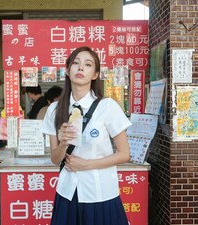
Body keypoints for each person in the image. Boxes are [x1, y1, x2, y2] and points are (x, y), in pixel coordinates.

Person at [41, 46, 131, 225]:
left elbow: (124, 154)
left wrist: (87, 164)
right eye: (76, 63)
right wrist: (63, 144)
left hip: (100, 192)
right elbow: (55, 158)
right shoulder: (54, 110)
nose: (81, 68)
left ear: (96, 74)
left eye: (88, 64)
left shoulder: (108, 107)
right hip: (67, 192)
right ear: (67, 70)